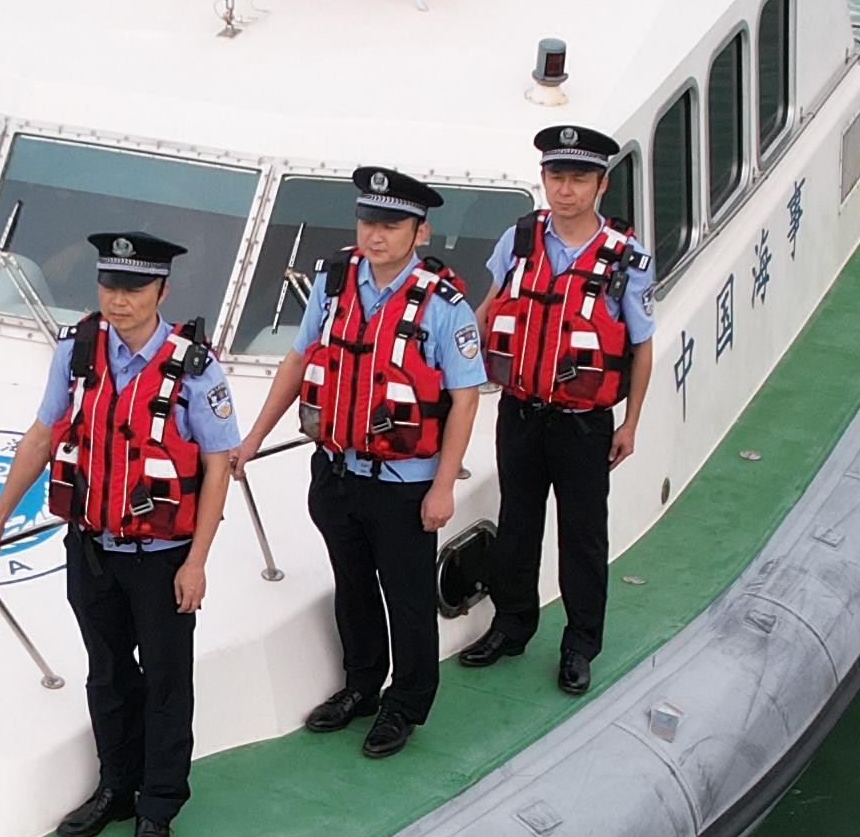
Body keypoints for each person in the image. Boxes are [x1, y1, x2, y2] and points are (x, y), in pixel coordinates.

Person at [0, 230, 239, 837]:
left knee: (167, 682)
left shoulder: (196, 368)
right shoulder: (75, 352)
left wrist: (196, 562)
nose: (119, 299)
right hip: (91, 548)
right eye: (110, 285)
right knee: (107, 673)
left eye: (134, 288)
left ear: (161, 291)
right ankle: (116, 786)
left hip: (163, 556)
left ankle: (158, 805)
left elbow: (218, 465)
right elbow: (41, 436)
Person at [247, 162, 485, 760]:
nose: (375, 235)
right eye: (368, 221)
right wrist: (252, 439)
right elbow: (298, 361)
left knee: (407, 597)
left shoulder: (443, 305)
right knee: (351, 585)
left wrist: (442, 487)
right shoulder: (333, 282)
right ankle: (361, 685)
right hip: (335, 471)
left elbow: (464, 398)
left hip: (404, 484)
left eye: (392, 225)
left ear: (420, 232)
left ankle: (406, 704)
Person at [471, 121, 653, 696]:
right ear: (544, 179)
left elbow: (641, 346)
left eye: (578, 178)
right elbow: (489, 308)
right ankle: (511, 625)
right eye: (556, 176)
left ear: (601, 184)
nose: (565, 189)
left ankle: (579, 645)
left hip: (584, 423)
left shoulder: (627, 258)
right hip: (520, 411)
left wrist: (631, 423)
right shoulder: (519, 239)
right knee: (517, 524)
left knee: (583, 536)